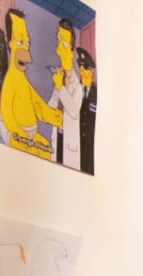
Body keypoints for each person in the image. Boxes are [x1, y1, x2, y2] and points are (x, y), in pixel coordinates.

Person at [0, 8, 61, 160]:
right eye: (20, 42)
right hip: (15, 134)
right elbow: (6, 114)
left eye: (27, 43)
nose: (25, 48)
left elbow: (38, 104)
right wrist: (20, 134)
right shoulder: (10, 81)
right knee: (28, 151)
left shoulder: (24, 82)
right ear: (10, 42)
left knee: (47, 150)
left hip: (30, 136)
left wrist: (53, 115)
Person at [47, 19, 84, 172]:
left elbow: (74, 110)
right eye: (58, 41)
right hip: (57, 138)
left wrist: (59, 87)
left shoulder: (78, 86)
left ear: (71, 50)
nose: (58, 49)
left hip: (70, 147)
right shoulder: (59, 78)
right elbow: (51, 106)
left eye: (63, 43)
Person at [76, 48, 97, 174]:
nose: (82, 71)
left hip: (91, 143)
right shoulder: (75, 90)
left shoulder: (96, 94)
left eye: (86, 68)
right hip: (77, 140)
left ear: (91, 72)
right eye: (81, 67)